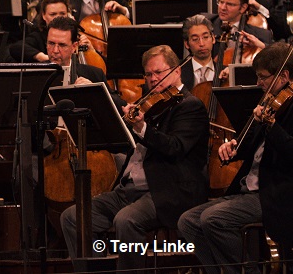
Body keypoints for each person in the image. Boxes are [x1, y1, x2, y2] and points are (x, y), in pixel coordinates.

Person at [60, 45, 208, 272]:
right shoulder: (151, 103)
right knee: (72, 217)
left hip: (166, 191)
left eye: (159, 72)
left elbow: (175, 147)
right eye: (148, 74)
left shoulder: (190, 106)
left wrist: (142, 128)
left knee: (126, 220)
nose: (153, 78)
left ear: (177, 71)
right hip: (129, 189)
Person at [176, 42, 293, 274]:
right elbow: (250, 146)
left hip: (275, 194)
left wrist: (271, 125)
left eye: (263, 77)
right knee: (187, 222)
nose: (258, 83)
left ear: (284, 77)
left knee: (213, 219)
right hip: (247, 191)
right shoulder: (269, 102)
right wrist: (233, 148)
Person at [202, 0, 272, 66]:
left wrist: (261, 45)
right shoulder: (205, 25)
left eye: (230, 4)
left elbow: (278, 59)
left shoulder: (262, 35)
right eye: (221, 2)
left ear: (243, 8)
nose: (223, 7)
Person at [10, 0, 75, 63]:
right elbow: (16, 47)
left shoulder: (74, 34)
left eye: (62, 13)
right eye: (53, 14)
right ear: (44, 15)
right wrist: (42, 57)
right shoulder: (38, 36)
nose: (58, 17)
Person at [44, 16, 107, 85]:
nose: (55, 50)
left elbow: (111, 93)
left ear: (74, 47)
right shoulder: (36, 73)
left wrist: (93, 90)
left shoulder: (95, 74)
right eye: (51, 43)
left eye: (62, 45)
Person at [180, 14, 217, 90]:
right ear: (186, 44)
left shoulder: (225, 72)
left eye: (205, 37)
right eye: (195, 39)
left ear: (213, 38)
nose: (201, 44)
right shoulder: (179, 74)